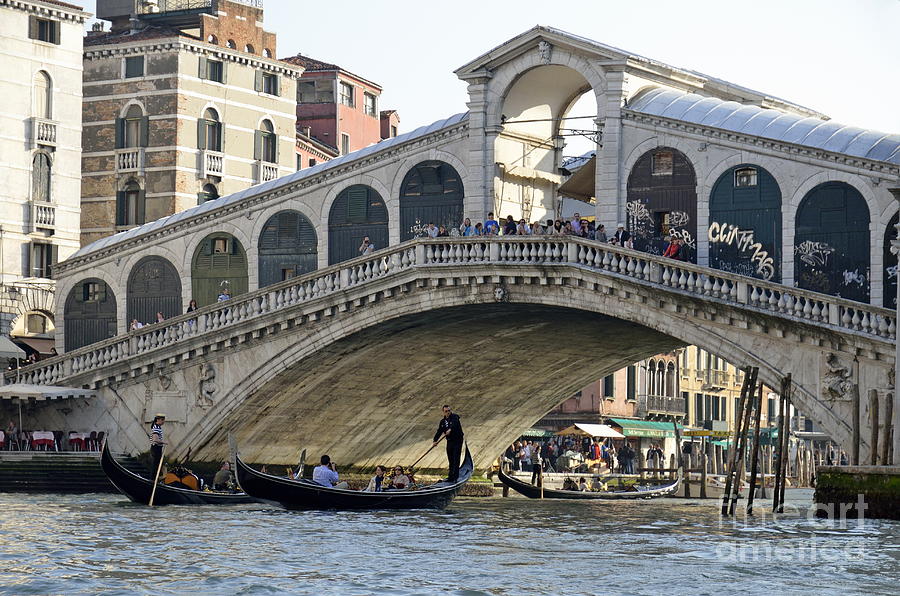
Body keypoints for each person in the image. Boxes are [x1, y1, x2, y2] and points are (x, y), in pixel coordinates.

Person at [432, 404, 464, 482]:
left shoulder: (455, 417)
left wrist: (450, 429)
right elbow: (439, 431)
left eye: (449, 411)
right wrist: (435, 440)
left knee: (456, 459)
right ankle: (450, 477)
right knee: (450, 459)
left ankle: (455, 477)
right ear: (443, 412)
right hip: (450, 441)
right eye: (446, 411)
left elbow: (454, 423)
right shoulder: (442, 422)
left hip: (457, 440)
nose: (448, 412)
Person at [149, 414, 166, 479]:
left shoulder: (158, 427)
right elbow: (155, 439)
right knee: (155, 464)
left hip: (157, 448)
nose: (163, 422)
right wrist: (164, 442)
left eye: (163, 420)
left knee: (157, 464)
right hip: (156, 448)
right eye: (162, 420)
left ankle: (155, 478)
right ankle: (153, 479)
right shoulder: (156, 427)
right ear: (158, 420)